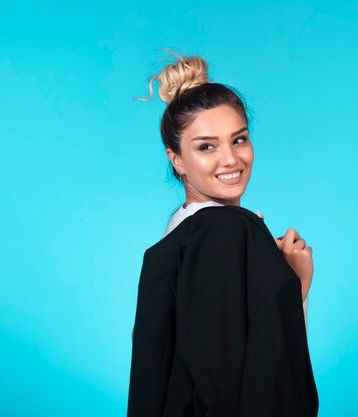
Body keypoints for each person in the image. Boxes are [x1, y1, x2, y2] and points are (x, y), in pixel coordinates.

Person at [126, 51, 319, 416]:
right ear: (176, 159)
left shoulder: (173, 246)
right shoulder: (227, 231)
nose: (231, 159)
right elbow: (246, 388)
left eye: (239, 139)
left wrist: (284, 284)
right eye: (206, 147)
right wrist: (291, 288)